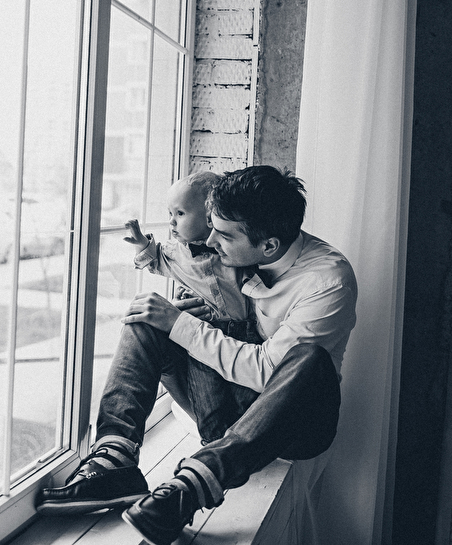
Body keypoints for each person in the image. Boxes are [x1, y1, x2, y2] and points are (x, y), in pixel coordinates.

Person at [35, 165, 357, 545]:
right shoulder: (242, 245)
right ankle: (114, 459)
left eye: (224, 235)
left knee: (310, 359)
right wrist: (179, 316)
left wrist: (183, 325)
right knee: (150, 316)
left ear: (268, 247)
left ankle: (188, 489)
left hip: (288, 427)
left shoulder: (327, 280)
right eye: (211, 228)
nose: (212, 242)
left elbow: (268, 371)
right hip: (220, 412)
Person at [124, 172, 261, 443]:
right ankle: (212, 445)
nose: (172, 221)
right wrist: (141, 243)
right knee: (208, 404)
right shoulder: (176, 253)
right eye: (170, 213)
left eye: (180, 213)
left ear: (210, 216)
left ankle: (242, 445)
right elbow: (155, 258)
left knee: (247, 399)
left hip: (246, 336)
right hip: (200, 337)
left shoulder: (236, 249)